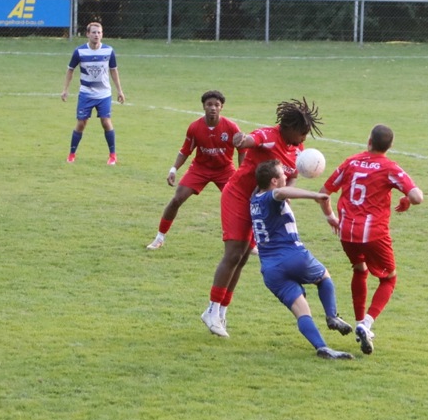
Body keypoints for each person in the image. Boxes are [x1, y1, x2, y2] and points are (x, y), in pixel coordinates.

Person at [200, 97, 324, 338]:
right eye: (302, 133)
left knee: (244, 256)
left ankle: (222, 310)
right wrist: (241, 140)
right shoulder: (268, 135)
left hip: (262, 205)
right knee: (233, 252)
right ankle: (212, 309)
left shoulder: (297, 150)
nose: (303, 139)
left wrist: (285, 196)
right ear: (288, 128)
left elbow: (292, 177)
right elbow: (250, 139)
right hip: (237, 196)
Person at [322, 124, 424, 356]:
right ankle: (366, 324)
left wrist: (330, 217)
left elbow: (324, 192)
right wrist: (407, 199)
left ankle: (359, 321)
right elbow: (417, 197)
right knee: (389, 279)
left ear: (368, 140)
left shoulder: (350, 162)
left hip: (346, 232)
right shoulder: (389, 166)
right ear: (389, 146)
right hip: (374, 234)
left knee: (360, 269)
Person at [249, 159, 354, 359]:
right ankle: (332, 316)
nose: (286, 177)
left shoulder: (254, 199)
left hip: (270, 269)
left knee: (302, 312)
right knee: (324, 277)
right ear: (273, 181)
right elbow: (281, 192)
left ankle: (323, 347)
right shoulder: (273, 195)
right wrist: (315, 195)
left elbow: (279, 190)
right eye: (282, 175)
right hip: (293, 256)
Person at [146, 90, 242, 250]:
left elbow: (242, 149)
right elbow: (185, 151)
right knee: (176, 199)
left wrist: (241, 172)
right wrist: (173, 169)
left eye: (216, 105)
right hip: (200, 169)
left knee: (241, 203)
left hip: (224, 170)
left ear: (222, 107)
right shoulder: (195, 127)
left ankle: (249, 243)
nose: (213, 108)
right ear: (203, 106)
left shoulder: (231, 127)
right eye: (209, 104)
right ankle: (159, 238)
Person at [61, 21, 124, 164]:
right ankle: (72, 154)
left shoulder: (108, 51)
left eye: (99, 32)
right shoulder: (79, 51)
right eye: (94, 32)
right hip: (86, 94)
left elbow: (114, 70)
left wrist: (119, 91)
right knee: (81, 123)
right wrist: (65, 89)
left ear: (102, 34)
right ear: (88, 34)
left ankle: (112, 155)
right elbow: (70, 69)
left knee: (106, 122)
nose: (97, 35)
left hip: (104, 94)